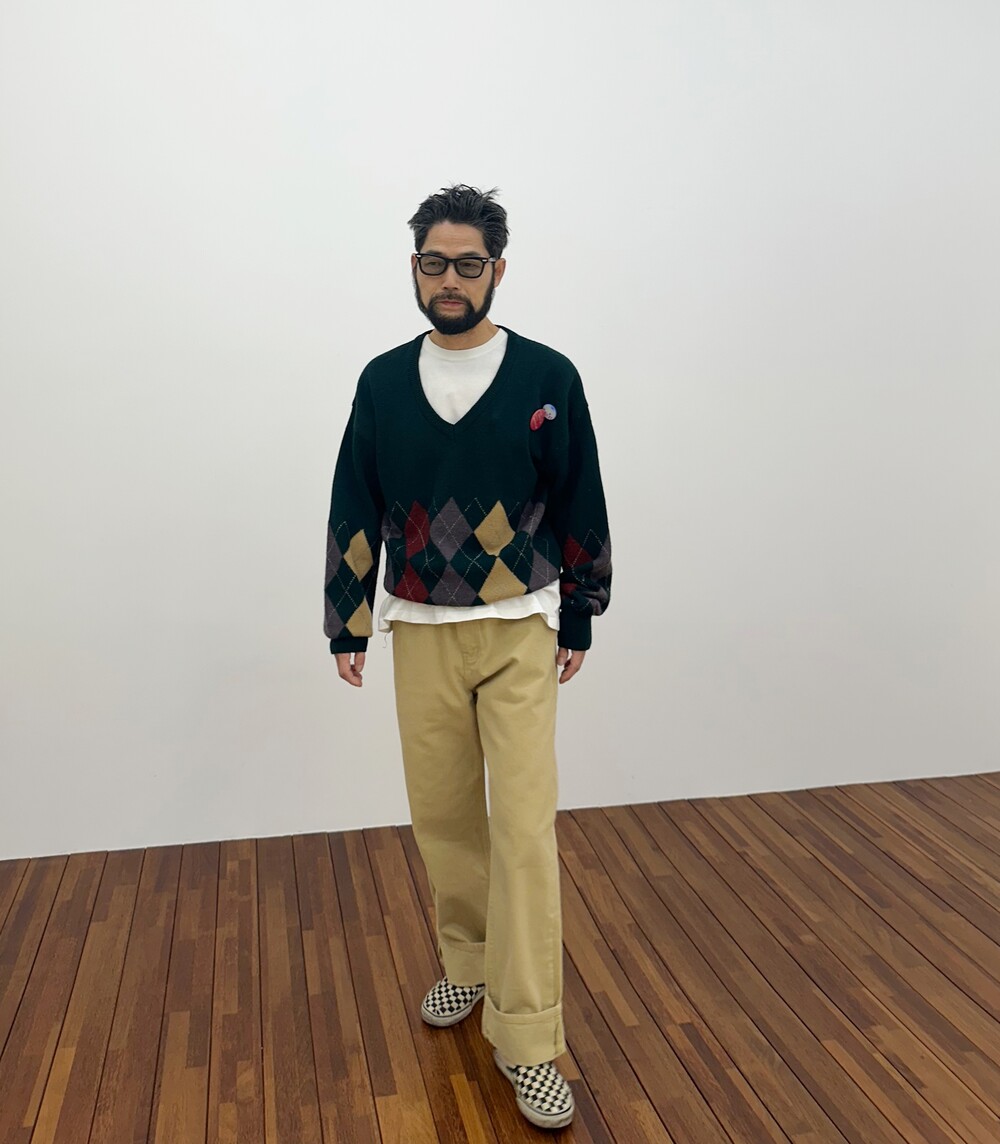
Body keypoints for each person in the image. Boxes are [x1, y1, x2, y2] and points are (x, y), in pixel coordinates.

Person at [324, 184, 611, 1130]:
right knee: (445, 820)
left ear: (498, 270)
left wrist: (580, 613)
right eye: (435, 263)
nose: (451, 280)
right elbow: (355, 498)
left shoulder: (547, 377)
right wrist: (347, 619)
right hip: (419, 630)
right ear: (415, 269)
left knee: (523, 833)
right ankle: (470, 964)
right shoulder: (381, 381)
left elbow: (581, 495)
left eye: (469, 264)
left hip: (521, 627)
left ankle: (529, 1038)